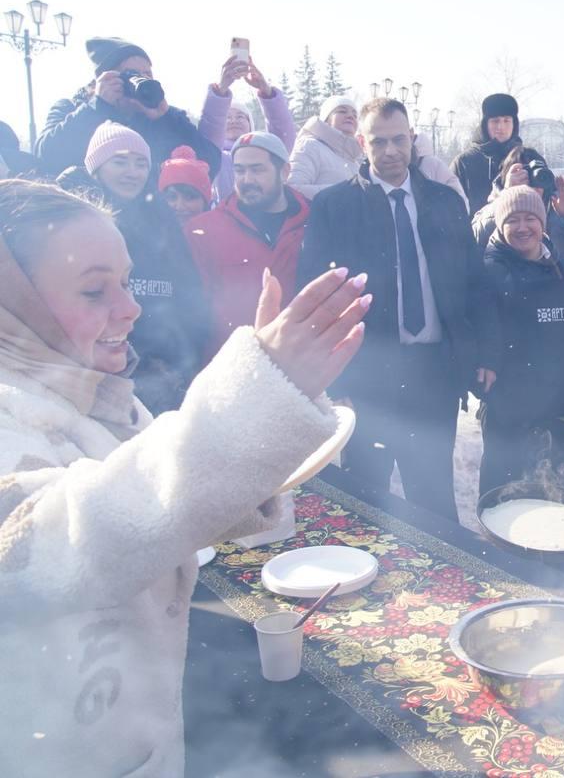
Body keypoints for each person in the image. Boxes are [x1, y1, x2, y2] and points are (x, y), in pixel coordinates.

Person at [0, 178, 366, 777]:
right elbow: (62, 538)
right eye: (95, 290)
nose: (130, 308)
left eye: (126, 281)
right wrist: (254, 401)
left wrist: (269, 418)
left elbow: (160, 499)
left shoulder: (102, 400)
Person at [298, 98, 498, 519]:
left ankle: (446, 584)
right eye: (379, 141)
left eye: (399, 140)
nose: (390, 151)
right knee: (365, 500)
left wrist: (480, 352)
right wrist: (336, 381)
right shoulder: (335, 207)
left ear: (412, 138)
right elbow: (316, 295)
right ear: (361, 143)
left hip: (434, 374)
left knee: (434, 498)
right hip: (369, 378)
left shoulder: (445, 201)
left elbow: (474, 283)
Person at [55, 122, 210, 413]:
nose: (132, 172)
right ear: (97, 166)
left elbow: (187, 286)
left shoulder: (158, 212)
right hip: (103, 366)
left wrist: (191, 347)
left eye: (140, 163)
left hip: (169, 363)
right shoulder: (73, 216)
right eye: (120, 161)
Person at [478, 186, 564, 495]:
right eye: (513, 220)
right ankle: (493, 544)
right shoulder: (489, 270)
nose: (522, 228)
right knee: (505, 485)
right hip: (512, 403)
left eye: (530, 218)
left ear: (543, 223)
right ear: (500, 225)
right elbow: (480, 330)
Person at [473, 147, 564, 346]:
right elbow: (474, 239)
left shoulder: (561, 210)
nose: (531, 185)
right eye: (523, 177)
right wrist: (505, 199)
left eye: (535, 176)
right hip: (515, 329)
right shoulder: (493, 209)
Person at [185, 132, 310, 359]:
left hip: (301, 361)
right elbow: (193, 309)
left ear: (284, 172)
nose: (247, 179)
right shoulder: (204, 229)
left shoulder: (314, 222)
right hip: (232, 364)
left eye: (257, 170)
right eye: (240, 170)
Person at [35, 37, 220, 184]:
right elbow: (47, 155)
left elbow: (211, 163)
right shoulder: (72, 109)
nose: (141, 80)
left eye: (147, 74)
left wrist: (166, 119)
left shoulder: (164, 116)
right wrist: (98, 107)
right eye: (132, 75)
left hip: (151, 220)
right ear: (105, 78)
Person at [290, 95, 467, 205]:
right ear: (326, 119)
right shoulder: (310, 146)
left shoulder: (356, 156)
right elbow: (293, 189)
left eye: (353, 112)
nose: (350, 115)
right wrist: (344, 193)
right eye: (342, 111)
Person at [198, 55, 296, 204]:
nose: (233, 121)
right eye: (227, 117)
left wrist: (266, 91)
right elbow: (209, 132)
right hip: (228, 220)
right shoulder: (216, 157)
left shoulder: (263, 150)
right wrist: (221, 90)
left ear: (250, 125)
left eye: (240, 116)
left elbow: (282, 136)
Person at [450, 93, 522, 213]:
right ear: (485, 124)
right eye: (495, 121)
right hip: (475, 230)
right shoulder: (463, 163)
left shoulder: (528, 158)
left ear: (514, 124)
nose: (501, 126)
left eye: (506, 121)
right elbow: (451, 210)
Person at [157, 145, 213, 221]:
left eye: (189, 197)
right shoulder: (145, 230)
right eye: (172, 197)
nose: (180, 207)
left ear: (205, 201)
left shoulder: (219, 231)